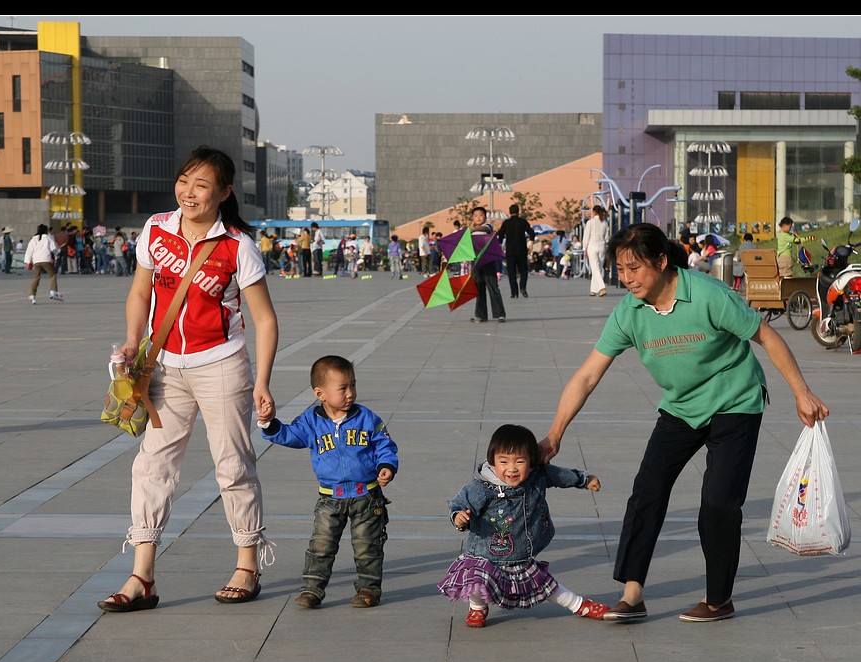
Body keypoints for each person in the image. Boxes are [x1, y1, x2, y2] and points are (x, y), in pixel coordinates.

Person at [541, 223, 829, 623]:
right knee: (647, 491)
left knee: (718, 502)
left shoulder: (708, 295)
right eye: (620, 270)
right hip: (680, 408)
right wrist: (555, 432)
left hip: (735, 403)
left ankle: (718, 600)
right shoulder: (630, 311)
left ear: (661, 262)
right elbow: (588, 374)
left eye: (634, 268)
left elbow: (766, 336)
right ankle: (633, 593)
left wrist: (802, 392)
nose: (626, 279)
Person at [97, 145, 279, 613]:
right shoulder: (157, 229)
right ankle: (143, 574)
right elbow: (140, 290)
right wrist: (134, 340)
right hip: (165, 368)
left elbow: (264, 319)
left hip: (222, 365)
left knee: (233, 464)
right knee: (152, 466)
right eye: (184, 181)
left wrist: (262, 382)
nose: (189, 192)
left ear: (223, 192)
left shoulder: (238, 247)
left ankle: (247, 564)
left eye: (201, 185)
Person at [260, 355, 398, 609]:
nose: (350, 393)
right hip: (329, 498)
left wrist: (386, 466)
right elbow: (289, 435)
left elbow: (384, 445)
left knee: (368, 546)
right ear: (320, 393)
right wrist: (269, 423)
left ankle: (368, 589)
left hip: (366, 496)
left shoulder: (366, 418)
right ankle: (312, 589)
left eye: (353, 385)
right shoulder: (311, 420)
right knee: (321, 546)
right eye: (342, 388)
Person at [438, 424, 609, 628]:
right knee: (476, 582)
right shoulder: (481, 487)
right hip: (484, 555)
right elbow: (459, 504)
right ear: (493, 461)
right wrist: (459, 517)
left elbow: (561, 476)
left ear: (531, 461)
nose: (511, 468)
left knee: (546, 587)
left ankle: (580, 605)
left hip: (520, 555)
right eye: (504, 462)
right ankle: (477, 607)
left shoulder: (538, 476)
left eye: (520, 462)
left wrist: (583, 479)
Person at [469, 206, 506, 323]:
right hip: (476, 262)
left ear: (485, 217)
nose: (478, 218)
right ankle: (480, 315)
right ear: (472, 218)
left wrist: (471, 229)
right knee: (479, 288)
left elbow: (485, 230)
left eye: (481, 215)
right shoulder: (470, 231)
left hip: (488, 261)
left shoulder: (487, 227)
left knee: (492, 286)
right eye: (475, 216)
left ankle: (500, 314)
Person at [496, 203, 534, 299]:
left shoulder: (506, 223)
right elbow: (531, 232)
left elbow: (500, 235)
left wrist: (500, 243)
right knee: (523, 270)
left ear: (510, 212)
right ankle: (523, 287)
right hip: (521, 250)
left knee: (511, 272)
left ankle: (514, 293)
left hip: (510, 251)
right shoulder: (523, 222)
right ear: (518, 211)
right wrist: (531, 241)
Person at [24, 224, 63, 304]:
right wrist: (58, 253)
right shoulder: (48, 238)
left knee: (36, 277)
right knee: (52, 275)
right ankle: (53, 291)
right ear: (46, 230)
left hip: (36, 261)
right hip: (46, 259)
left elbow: (29, 251)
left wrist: (28, 261)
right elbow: (53, 248)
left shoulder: (33, 239)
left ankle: (32, 295)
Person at [582, 205, 609, 297]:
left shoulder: (590, 222)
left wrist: (584, 248)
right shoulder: (605, 223)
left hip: (592, 246)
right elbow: (607, 238)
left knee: (595, 268)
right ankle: (593, 290)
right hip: (602, 247)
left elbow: (586, 236)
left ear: (594, 212)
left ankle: (602, 287)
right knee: (598, 269)